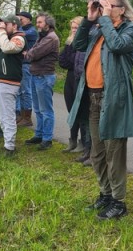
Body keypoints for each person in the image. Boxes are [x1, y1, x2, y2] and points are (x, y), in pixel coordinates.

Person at [67, 0, 133, 220]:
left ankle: (119, 202)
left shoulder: (130, 29)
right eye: (102, 6)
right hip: (93, 97)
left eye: (109, 6)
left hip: (113, 99)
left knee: (113, 154)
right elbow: (78, 45)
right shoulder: (98, 28)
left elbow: (118, 45)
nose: (103, 10)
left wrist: (105, 20)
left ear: (121, 9)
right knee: (97, 153)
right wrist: (89, 21)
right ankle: (105, 194)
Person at [0, 14, 26, 157]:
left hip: (9, 83)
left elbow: (8, 48)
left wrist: (1, 32)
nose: (3, 26)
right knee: (1, 115)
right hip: (0, 82)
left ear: (14, 25)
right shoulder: (5, 39)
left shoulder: (19, 38)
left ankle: (10, 148)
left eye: (6, 24)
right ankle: (7, 144)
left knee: (8, 116)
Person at [24, 13, 59, 150]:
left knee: (46, 110)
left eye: (40, 22)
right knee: (38, 109)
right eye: (37, 22)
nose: (37, 24)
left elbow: (32, 54)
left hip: (44, 76)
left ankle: (47, 139)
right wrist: (29, 53)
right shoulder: (42, 37)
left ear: (48, 24)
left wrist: (29, 54)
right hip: (36, 75)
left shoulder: (51, 38)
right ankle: (39, 134)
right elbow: (31, 52)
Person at [59, 16, 89, 152]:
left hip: (81, 77)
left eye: (77, 27)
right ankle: (72, 140)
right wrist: (71, 60)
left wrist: (71, 60)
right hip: (70, 78)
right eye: (73, 28)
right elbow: (63, 60)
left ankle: (83, 141)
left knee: (81, 110)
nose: (74, 30)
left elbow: (79, 61)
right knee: (71, 109)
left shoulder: (85, 42)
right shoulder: (69, 42)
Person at [16, 11, 38, 127]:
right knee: (19, 90)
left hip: (27, 64)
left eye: (21, 19)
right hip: (20, 63)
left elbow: (20, 34)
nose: (20, 21)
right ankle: (20, 115)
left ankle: (27, 117)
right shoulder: (22, 29)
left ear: (29, 19)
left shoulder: (32, 31)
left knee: (26, 90)